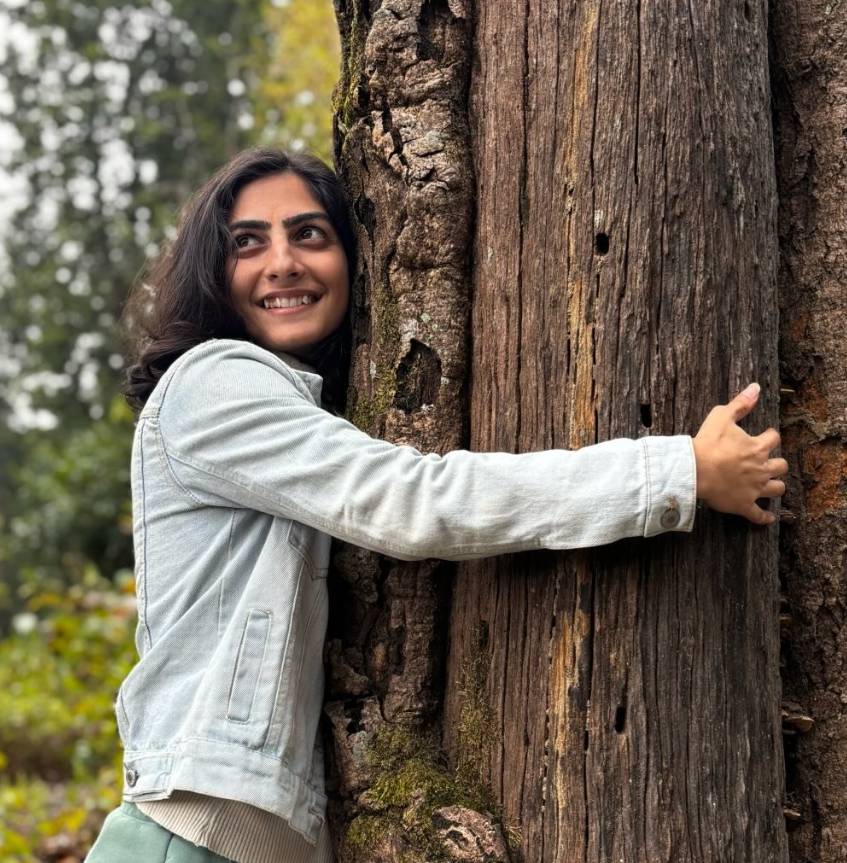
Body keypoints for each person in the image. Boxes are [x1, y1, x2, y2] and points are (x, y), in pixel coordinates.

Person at [85, 148, 787, 863]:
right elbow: (413, 500)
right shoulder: (214, 382)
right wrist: (677, 471)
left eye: (309, 234)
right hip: (186, 839)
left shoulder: (294, 408)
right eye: (247, 242)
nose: (283, 262)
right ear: (211, 271)